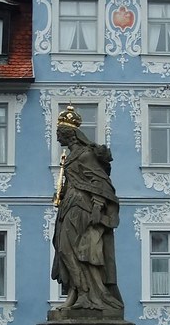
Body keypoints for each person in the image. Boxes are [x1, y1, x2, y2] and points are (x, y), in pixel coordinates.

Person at [51, 106, 124, 311]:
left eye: (58, 134)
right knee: (65, 251)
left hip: (81, 207)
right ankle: (75, 293)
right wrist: (61, 193)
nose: (57, 139)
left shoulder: (84, 155)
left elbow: (102, 184)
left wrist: (97, 208)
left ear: (68, 134)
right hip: (69, 205)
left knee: (76, 251)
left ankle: (86, 294)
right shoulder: (72, 156)